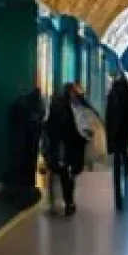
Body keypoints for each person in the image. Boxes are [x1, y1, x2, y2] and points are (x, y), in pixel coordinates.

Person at [44, 82, 91, 216]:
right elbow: (84, 126)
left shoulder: (57, 104)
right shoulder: (75, 106)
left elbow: (48, 126)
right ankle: (68, 202)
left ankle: (56, 203)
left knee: (59, 173)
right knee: (67, 174)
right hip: (69, 145)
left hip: (60, 145)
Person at [106, 72, 128, 210]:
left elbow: (109, 115)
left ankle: (118, 185)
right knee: (125, 150)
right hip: (126, 130)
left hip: (115, 130)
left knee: (117, 153)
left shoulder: (112, 94)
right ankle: (127, 167)